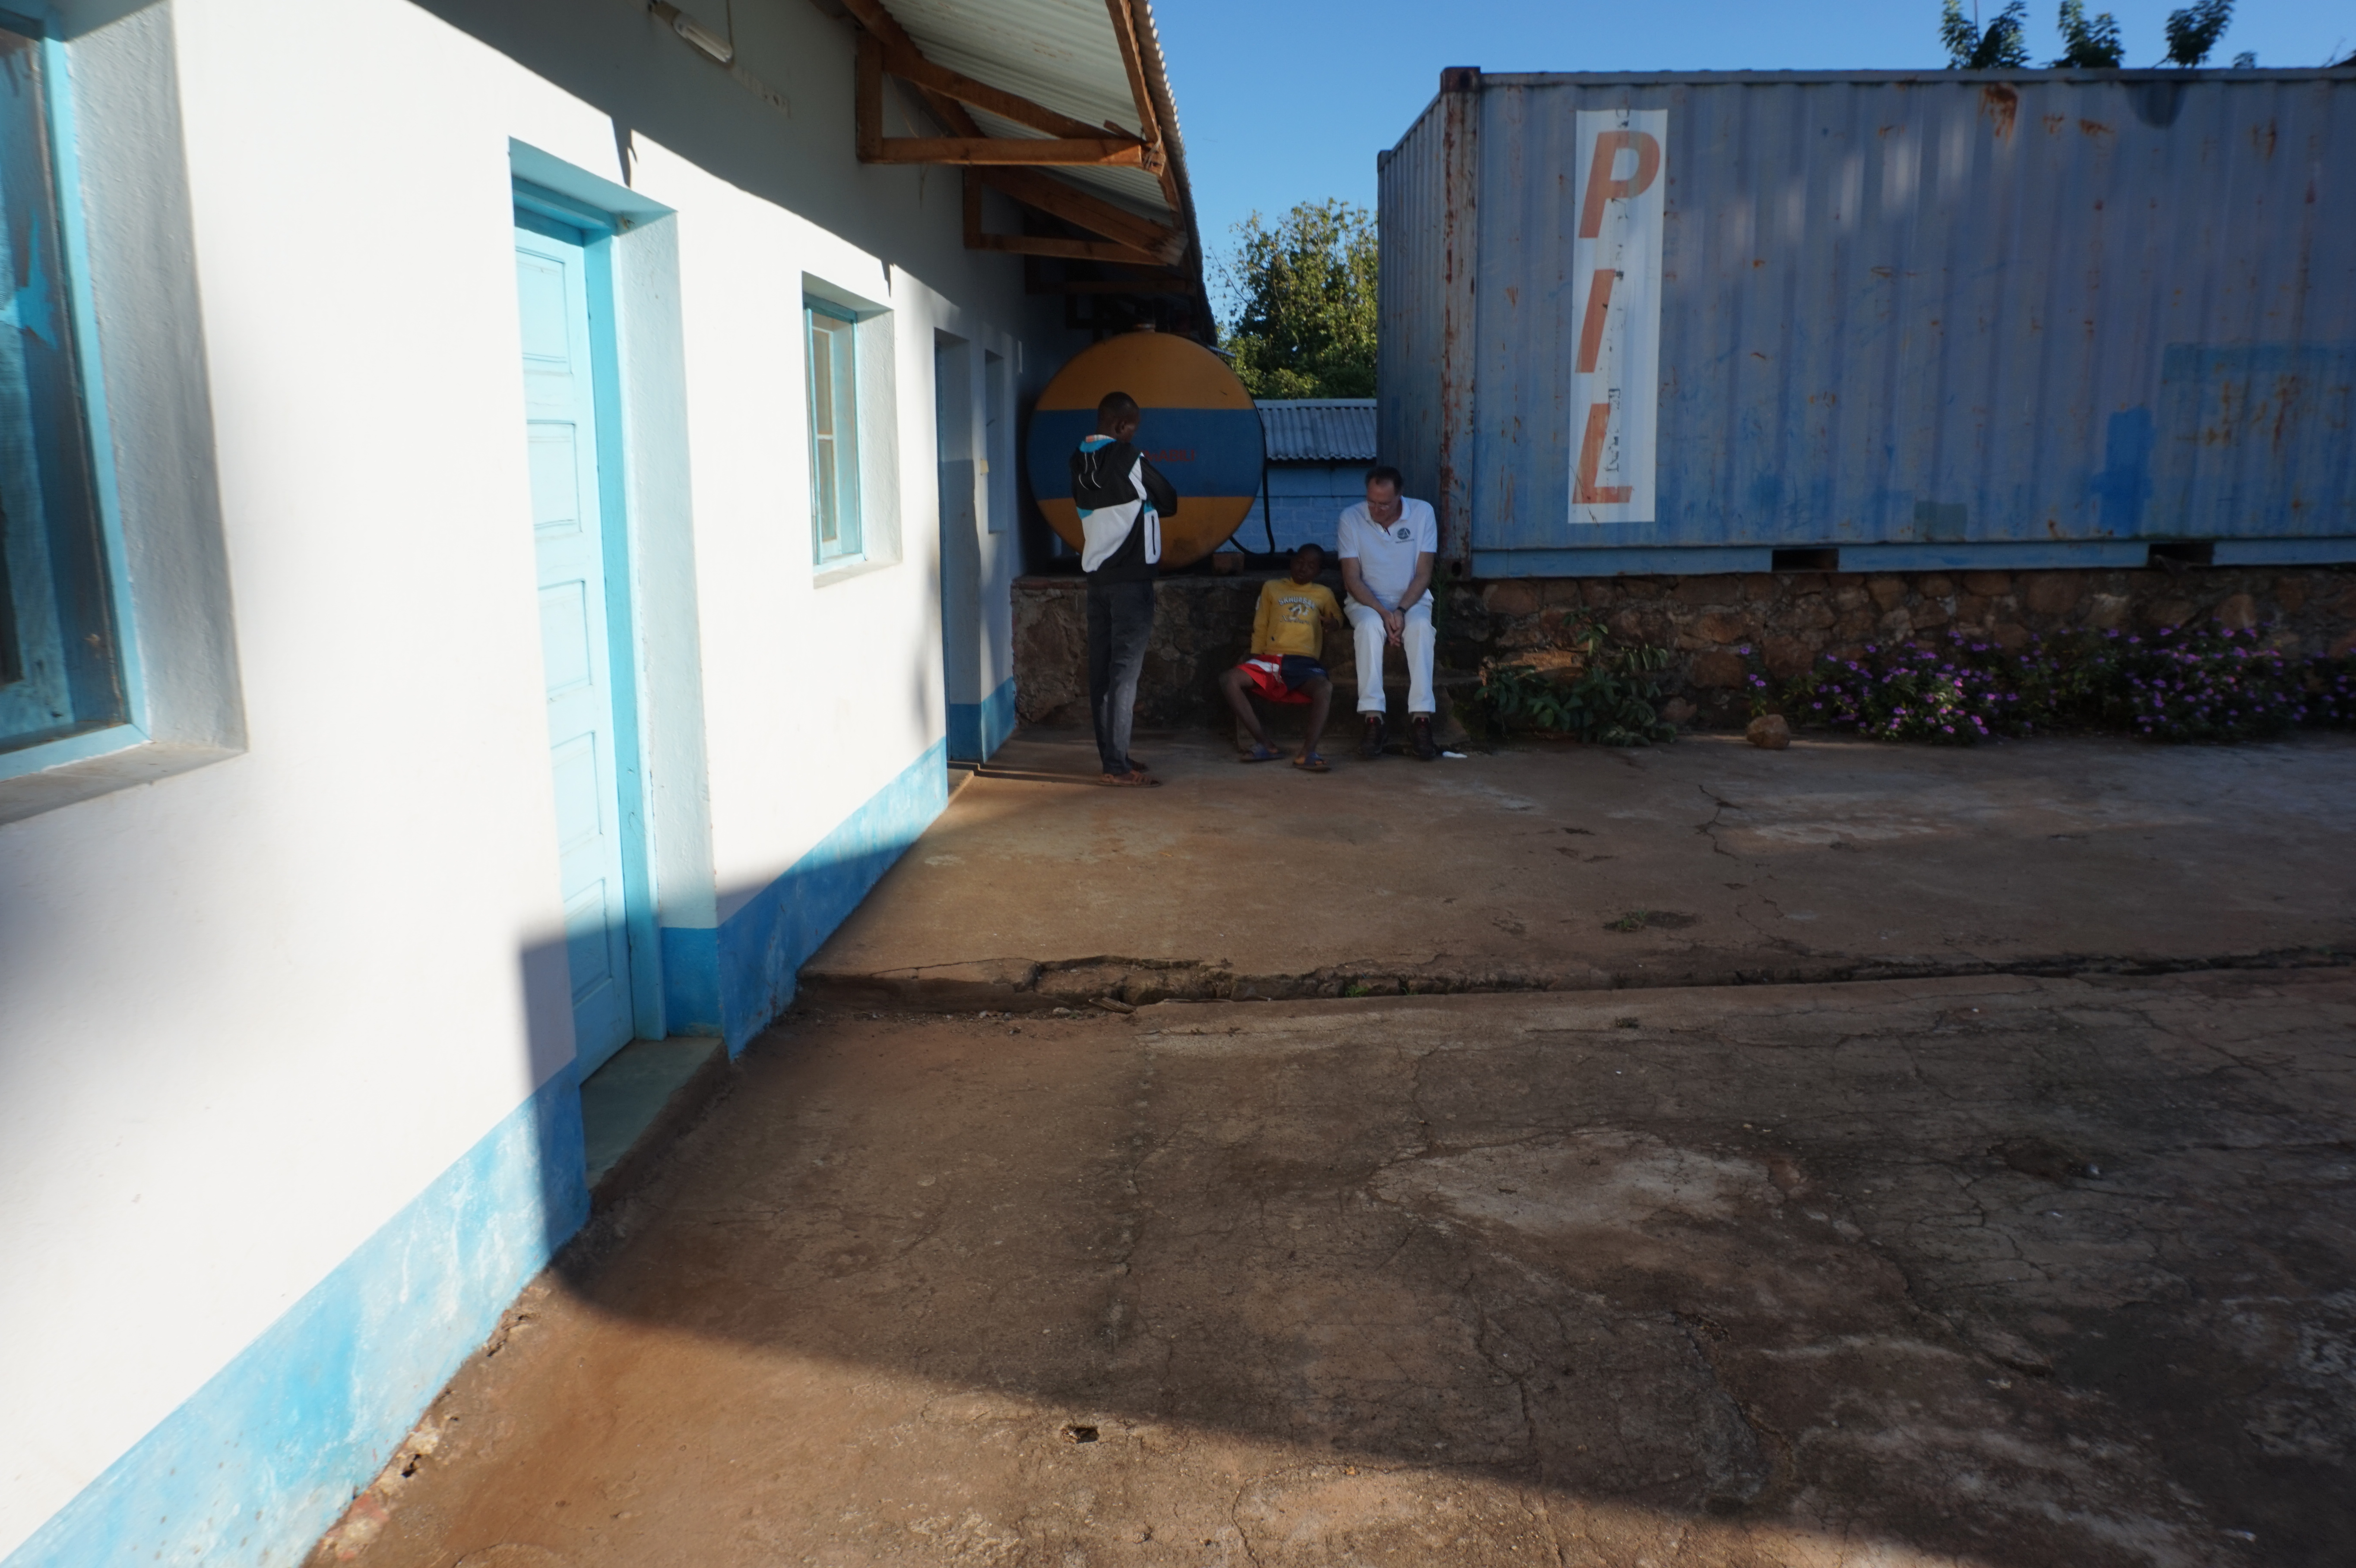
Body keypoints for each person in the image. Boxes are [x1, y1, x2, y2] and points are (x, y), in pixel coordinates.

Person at [1070, 390, 1177, 787]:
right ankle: (1117, 768)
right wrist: (1144, 503)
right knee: (1124, 676)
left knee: (1102, 675)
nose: (1134, 434)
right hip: (1132, 580)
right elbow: (1169, 499)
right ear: (1120, 426)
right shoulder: (1128, 458)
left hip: (1097, 581)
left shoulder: (1078, 460)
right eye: (1133, 427)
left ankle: (1113, 758)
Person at [1336, 465, 1440, 760]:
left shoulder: (1422, 513)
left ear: (1400, 496)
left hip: (1413, 600)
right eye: (1371, 502)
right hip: (1367, 603)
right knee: (1369, 629)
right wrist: (1385, 613)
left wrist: (1402, 610)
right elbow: (1352, 579)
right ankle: (1373, 718)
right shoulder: (1351, 518)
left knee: (1421, 630)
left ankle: (1421, 719)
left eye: (1384, 504)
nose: (1376, 509)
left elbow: (1424, 574)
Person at [1219, 542, 1343, 772]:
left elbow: (1337, 618)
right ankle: (1265, 745)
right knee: (1229, 679)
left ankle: (1307, 753)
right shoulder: (1272, 588)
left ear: (1319, 572)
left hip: (1304, 663)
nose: (1303, 568)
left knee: (1324, 688)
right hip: (1272, 660)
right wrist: (1255, 657)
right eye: (1300, 562)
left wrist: (1333, 623)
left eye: (1311, 566)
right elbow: (1261, 624)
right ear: (1292, 562)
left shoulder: (1324, 593)